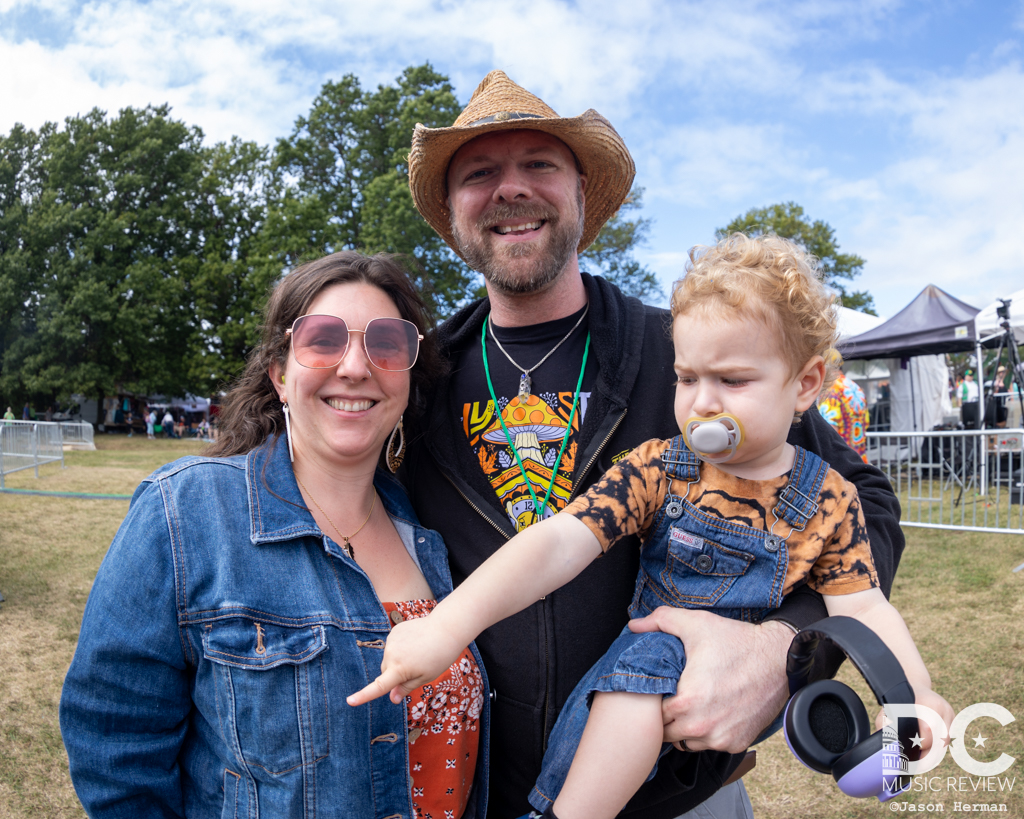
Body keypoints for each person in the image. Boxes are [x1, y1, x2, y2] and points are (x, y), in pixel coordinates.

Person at [399, 70, 905, 819]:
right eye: (479, 173)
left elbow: (867, 507)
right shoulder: (420, 384)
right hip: (480, 795)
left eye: (538, 163)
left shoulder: (696, 355)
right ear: (452, 209)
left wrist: (782, 650)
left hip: (679, 794)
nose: (511, 189)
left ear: (580, 191)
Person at [352, 234, 954, 819]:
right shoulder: (659, 468)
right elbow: (560, 541)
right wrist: (448, 626)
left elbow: (865, 611)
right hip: (643, 670)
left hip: (715, 738)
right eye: (687, 378)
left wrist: (916, 698)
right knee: (639, 678)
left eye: (733, 380)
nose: (702, 403)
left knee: (645, 684)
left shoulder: (830, 498)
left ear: (804, 385)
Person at [59, 252, 490, 819]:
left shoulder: (429, 532)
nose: (356, 366)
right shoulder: (185, 512)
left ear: (408, 375)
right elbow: (114, 745)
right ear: (280, 374)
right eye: (323, 339)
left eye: (386, 342)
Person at [817, 358, 869, 460]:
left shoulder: (831, 389)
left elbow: (830, 429)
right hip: (859, 460)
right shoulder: (855, 387)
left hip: (841, 462)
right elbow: (866, 423)